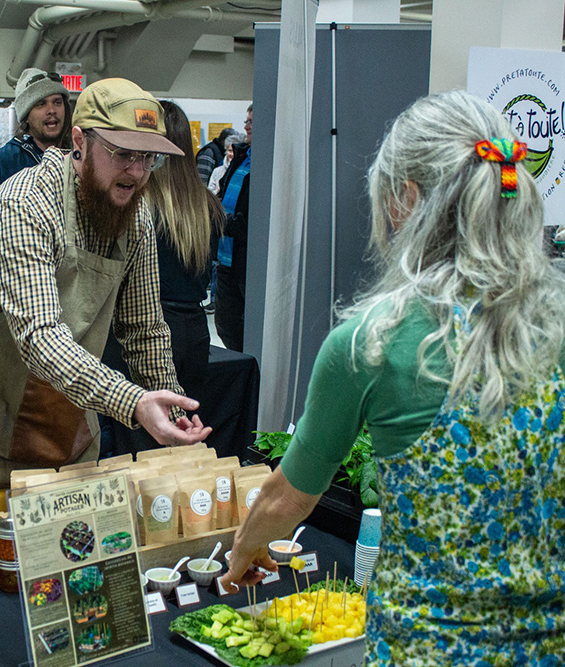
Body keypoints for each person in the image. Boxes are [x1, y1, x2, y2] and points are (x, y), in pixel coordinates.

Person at [221, 90, 565, 665]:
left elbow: (288, 498)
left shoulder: (373, 342)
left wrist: (245, 550)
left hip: (426, 646)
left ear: (406, 197)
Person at [0, 78, 213, 529]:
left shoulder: (135, 218)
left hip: (68, 399)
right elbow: (40, 339)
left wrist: (176, 417)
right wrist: (135, 402)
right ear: (79, 141)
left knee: (69, 545)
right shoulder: (24, 206)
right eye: (123, 153)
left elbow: (145, 331)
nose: (137, 172)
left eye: (149, 157)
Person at [99, 100, 224, 455]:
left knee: (139, 445)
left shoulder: (138, 205)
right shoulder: (206, 205)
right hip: (195, 331)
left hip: (147, 329)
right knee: (182, 438)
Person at [0, 68, 71, 226]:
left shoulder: (76, 157)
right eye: (41, 104)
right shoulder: (1, 161)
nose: (52, 110)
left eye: (57, 102)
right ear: (26, 115)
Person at [214, 105, 252, 351]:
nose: (247, 125)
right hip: (225, 262)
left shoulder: (265, 163)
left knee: (242, 334)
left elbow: (252, 222)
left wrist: (219, 221)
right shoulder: (241, 158)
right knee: (225, 326)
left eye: (252, 122)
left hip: (245, 266)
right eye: (247, 120)